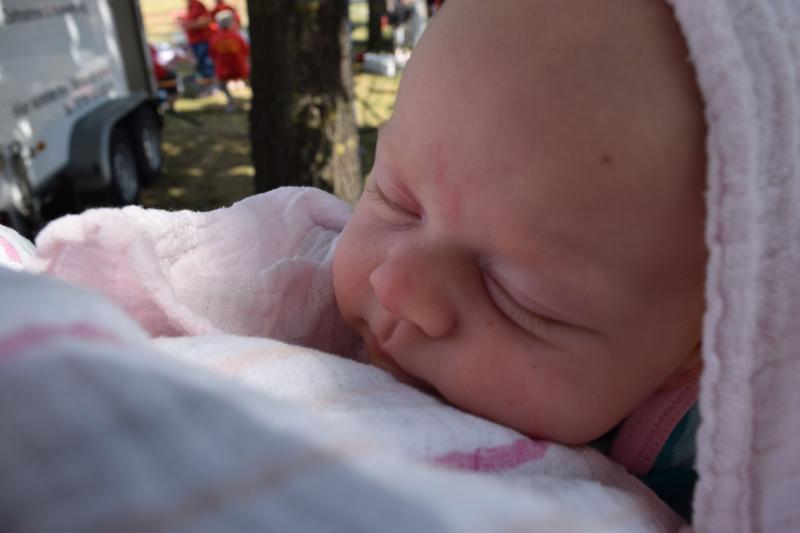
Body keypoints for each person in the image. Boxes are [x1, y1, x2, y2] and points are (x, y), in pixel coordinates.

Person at [1, 0, 762, 520]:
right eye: (396, 199)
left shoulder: (746, 453)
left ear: (701, 347)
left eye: (521, 297)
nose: (395, 286)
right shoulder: (304, 271)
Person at [209, 10, 249, 111]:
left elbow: (212, 55)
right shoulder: (237, 36)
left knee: (220, 84)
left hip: (223, 71)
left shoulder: (215, 38)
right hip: (241, 69)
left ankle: (230, 102)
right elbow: (246, 52)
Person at [182, 0, 215, 82]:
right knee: (200, 65)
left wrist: (189, 25)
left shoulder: (197, 5)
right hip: (196, 42)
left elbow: (206, 20)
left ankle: (209, 83)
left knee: (206, 66)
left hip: (202, 41)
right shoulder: (191, 5)